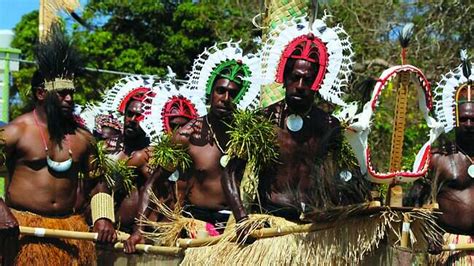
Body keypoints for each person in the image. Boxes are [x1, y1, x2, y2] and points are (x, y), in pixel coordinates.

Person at [222, 16, 364, 228]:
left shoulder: (328, 125)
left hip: (312, 225)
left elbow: (346, 176)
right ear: (284, 78)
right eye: (294, 77)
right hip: (269, 222)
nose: (299, 85)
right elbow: (230, 172)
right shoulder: (263, 120)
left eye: (307, 80)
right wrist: (242, 220)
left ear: (317, 83)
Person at [124, 41, 261, 252]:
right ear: (210, 92)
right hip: (197, 227)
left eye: (232, 93)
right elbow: (153, 182)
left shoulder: (246, 137)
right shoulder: (186, 135)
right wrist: (139, 230)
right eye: (220, 91)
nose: (226, 98)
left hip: (236, 225)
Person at [0, 26, 115, 265]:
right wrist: (1, 211)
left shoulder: (83, 138)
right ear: (41, 93)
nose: (70, 99)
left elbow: (98, 182)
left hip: (68, 233)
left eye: (71, 93)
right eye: (62, 93)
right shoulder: (15, 132)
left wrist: (104, 217)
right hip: (22, 232)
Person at [411, 51, 474, 263]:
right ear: (454, 119)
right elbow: (415, 202)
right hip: (453, 249)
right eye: (463, 119)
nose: (468, 125)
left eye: (473, 119)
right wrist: (430, 231)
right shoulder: (438, 158)